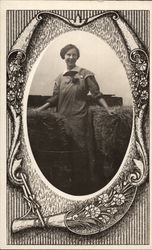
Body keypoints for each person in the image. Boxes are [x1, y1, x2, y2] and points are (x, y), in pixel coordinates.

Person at [35, 44, 112, 194]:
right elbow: (54, 99)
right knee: (64, 150)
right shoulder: (59, 77)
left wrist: (108, 110)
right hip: (61, 119)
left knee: (81, 150)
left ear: (77, 57)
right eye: (68, 54)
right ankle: (65, 184)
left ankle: (83, 186)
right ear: (63, 56)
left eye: (74, 55)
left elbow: (96, 94)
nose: (71, 57)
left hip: (80, 118)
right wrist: (38, 110)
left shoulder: (86, 74)